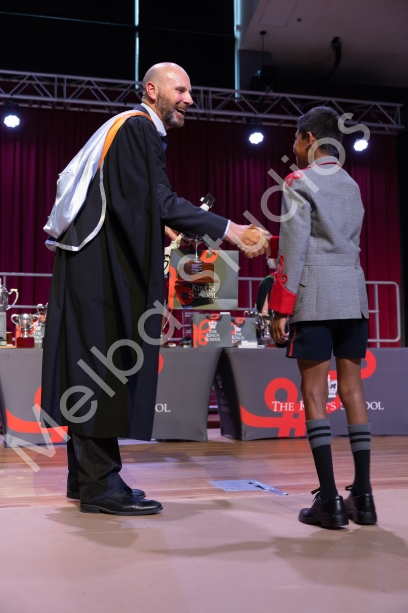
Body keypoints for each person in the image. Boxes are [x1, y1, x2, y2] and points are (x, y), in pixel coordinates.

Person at [41, 62, 268, 516]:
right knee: (100, 370)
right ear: (151, 90)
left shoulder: (125, 129)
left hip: (89, 266)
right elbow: (159, 200)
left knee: (92, 368)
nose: (189, 99)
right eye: (180, 90)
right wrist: (231, 230)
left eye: (190, 91)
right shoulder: (139, 128)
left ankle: (87, 479)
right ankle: (100, 487)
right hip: (98, 271)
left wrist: (160, 226)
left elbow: (131, 201)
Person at [269, 106, 377, 528]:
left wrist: (281, 307)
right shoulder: (352, 184)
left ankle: (329, 500)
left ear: (310, 139)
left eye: (296, 140)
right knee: (353, 390)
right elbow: (335, 240)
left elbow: (294, 249)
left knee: (314, 392)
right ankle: (363, 497)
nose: (294, 148)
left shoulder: (298, 180)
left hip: (314, 299)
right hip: (352, 295)